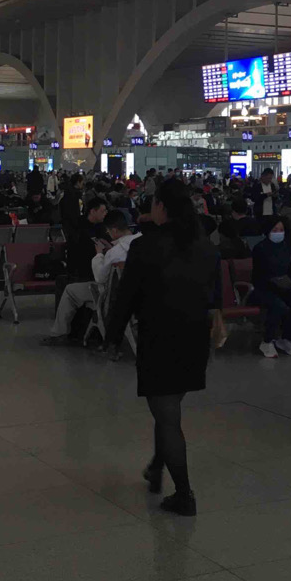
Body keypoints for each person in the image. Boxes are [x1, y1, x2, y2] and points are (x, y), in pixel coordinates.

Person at [107, 179, 220, 516]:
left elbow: (126, 297)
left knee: (168, 416)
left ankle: (184, 494)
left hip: (159, 337)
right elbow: (213, 294)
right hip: (195, 337)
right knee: (168, 408)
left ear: (161, 206)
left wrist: (112, 337)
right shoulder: (204, 246)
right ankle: (157, 466)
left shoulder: (145, 247)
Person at [44, 211, 139, 344]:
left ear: (114, 230)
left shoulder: (114, 252)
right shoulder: (141, 243)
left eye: (108, 231)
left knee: (70, 290)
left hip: (113, 298)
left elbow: (100, 278)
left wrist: (99, 254)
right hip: (138, 296)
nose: (108, 234)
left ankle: (59, 333)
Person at [250, 216, 291, 358]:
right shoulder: (260, 248)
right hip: (264, 288)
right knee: (278, 306)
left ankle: (287, 338)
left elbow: (289, 269)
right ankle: (267, 340)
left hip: (284, 287)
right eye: (275, 230)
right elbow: (258, 275)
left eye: (281, 230)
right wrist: (274, 281)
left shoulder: (286, 247)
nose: (279, 233)